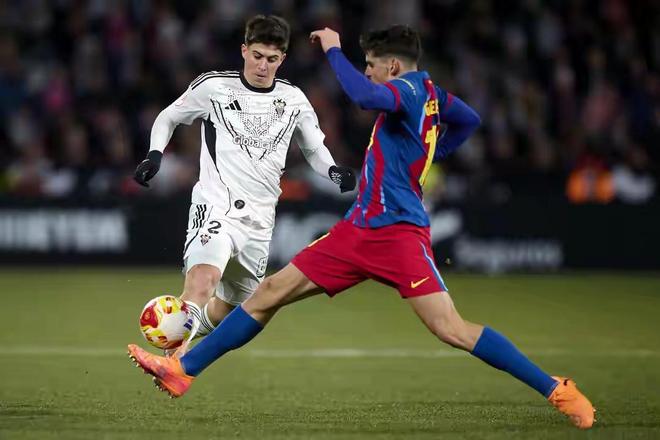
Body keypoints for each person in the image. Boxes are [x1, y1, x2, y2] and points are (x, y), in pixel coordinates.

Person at [128, 25, 595, 429]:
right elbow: (468, 120)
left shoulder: (407, 91)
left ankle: (555, 388)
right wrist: (430, 154)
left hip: (397, 235)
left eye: (370, 64)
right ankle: (183, 371)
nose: (367, 72)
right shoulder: (434, 95)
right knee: (268, 292)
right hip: (356, 231)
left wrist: (334, 49)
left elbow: (365, 97)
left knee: (451, 328)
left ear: (393, 66)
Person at [133, 15, 356, 349]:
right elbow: (168, 117)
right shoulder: (214, 87)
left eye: (271, 59)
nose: (263, 66)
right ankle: (175, 360)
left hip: (260, 219)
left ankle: (179, 331)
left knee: (231, 309)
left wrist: (334, 170)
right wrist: (154, 155)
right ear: (244, 50)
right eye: (257, 56)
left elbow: (314, 149)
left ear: (282, 59)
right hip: (216, 206)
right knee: (203, 281)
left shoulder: (293, 99)